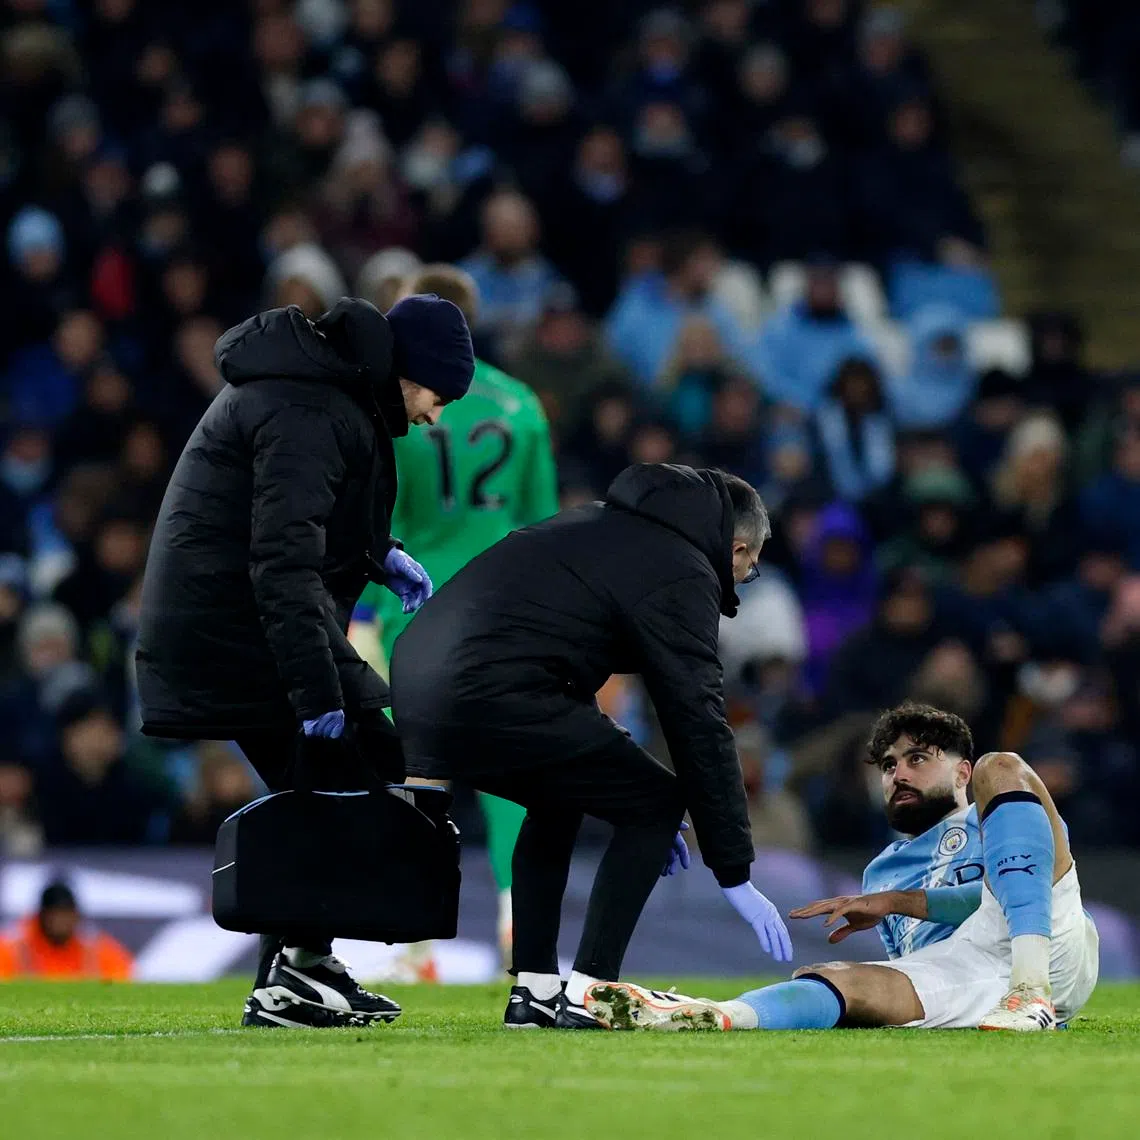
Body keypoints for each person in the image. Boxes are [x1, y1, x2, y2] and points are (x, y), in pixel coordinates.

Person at [135, 291, 475, 1029]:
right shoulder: (311, 408)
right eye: (437, 395)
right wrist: (316, 687)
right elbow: (282, 562)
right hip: (238, 630)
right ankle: (293, 978)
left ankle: (303, 969)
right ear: (406, 369)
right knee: (348, 778)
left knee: (366, 770)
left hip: (243, 621)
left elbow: (299, 525)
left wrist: (378, 555)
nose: (433, 416)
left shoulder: (321, 394)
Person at [391, 464, 793, 1030]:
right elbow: (697, 718)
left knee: (559, 794)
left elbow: (548, 657)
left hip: (415, 682)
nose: (742, 581)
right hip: (488, 689)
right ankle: (589, 989)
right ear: (737, 546)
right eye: (748, 570)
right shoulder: (681, 569)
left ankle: (534, 990)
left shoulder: (595, 528)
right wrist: (733, 868)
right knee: (653, 802)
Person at [587, 701, 1099, 1032]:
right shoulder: (880, 872)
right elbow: (926, 964)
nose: (898, 774)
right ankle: (711, 1014)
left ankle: (1032, 992)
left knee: (1004, 765)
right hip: (972, 976)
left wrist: (901, 904)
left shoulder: (997, 812)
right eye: (888, 766)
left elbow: (998, 897)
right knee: (837, 979)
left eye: (917, 759)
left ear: (960, 772)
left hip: (1046, 940)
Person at [351, 263, 559, 969]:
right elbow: (541, 526)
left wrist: (368, 613)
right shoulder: (522, 405)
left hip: (416, 609)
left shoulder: (398, 405)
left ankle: (405, 934)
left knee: (413, 771)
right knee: (513, 776)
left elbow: (380, 521)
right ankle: (518, 918)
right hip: (508, 613)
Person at [0, 880, 133, 981]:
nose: (60, 921)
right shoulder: (14, 948)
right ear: (41, 916)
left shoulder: (95, 949)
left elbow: (123, 974)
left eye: (65, 914)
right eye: (55, 914)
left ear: (76, 916)